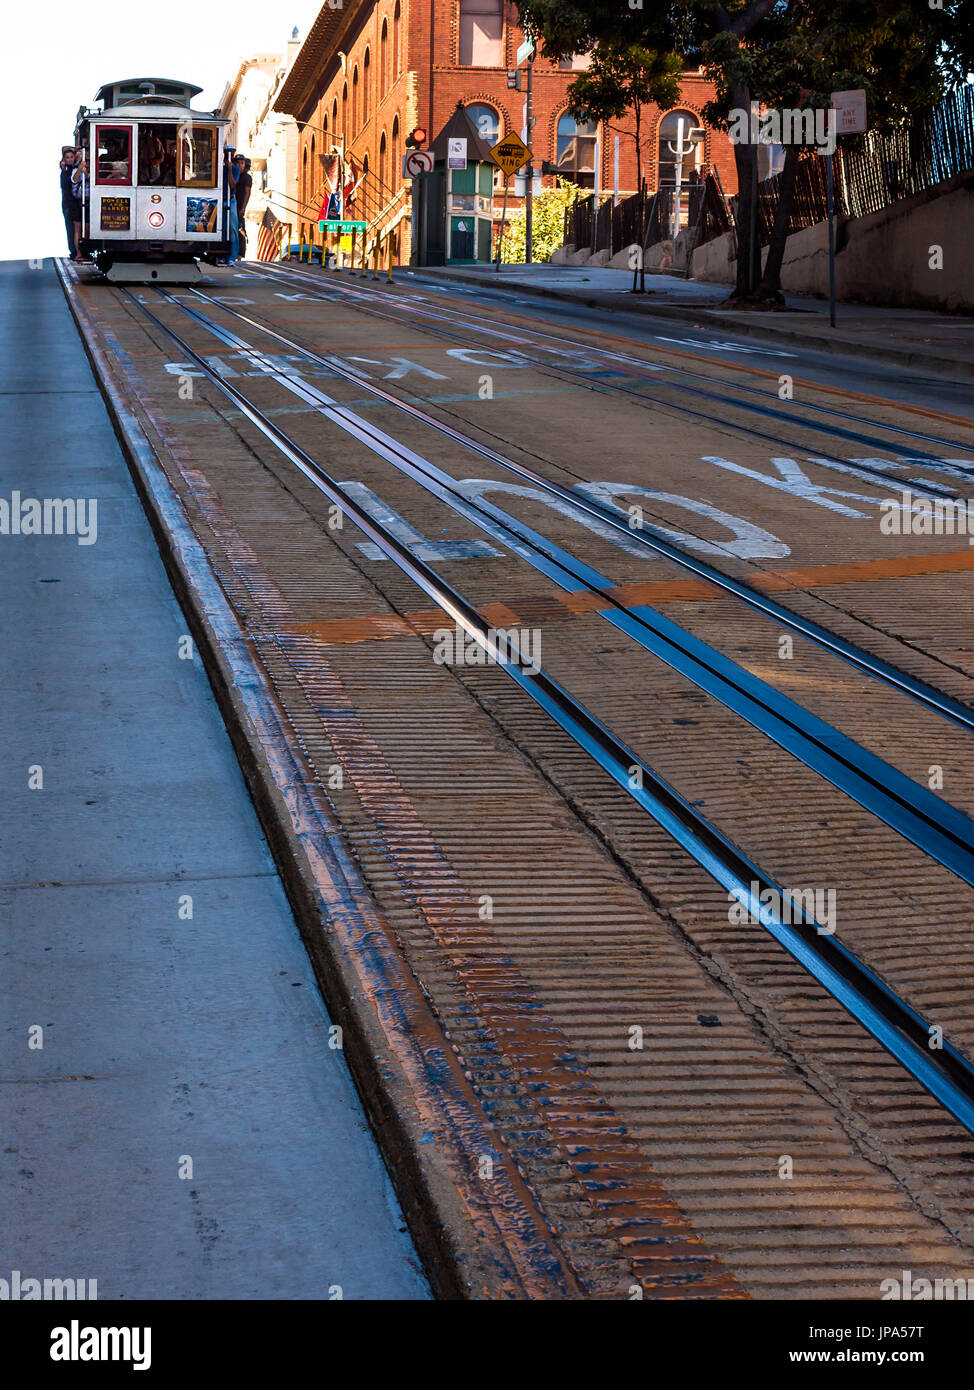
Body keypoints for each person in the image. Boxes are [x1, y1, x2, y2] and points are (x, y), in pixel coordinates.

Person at [70, 149, 90, 263]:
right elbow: (74, 179)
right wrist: (79, 169)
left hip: (88, 201)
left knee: (86, 228)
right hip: (78, 202)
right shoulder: (74, 170)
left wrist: (85, 171)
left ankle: (85, 252)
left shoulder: (90, 170)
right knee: (78, 229)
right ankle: (78, 254)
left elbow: (90, 180)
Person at [233, 155, 252, 260]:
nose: (240, 165)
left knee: (240, 229)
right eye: (238, 163)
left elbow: (247, 192)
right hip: (231, 205)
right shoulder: (233, 174)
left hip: (239, 206)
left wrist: (243, 208)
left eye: (242, 163)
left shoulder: (246, 177)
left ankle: (240, 254)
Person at [60, 147, 77, 259]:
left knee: (76, 228)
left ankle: (76, 250)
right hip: (68, 203)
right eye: (67, 157)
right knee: (70, 228)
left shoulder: (74, 168)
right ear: (64, 159)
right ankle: (73, 251)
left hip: (75, 203)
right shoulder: (65, 171)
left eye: (71, 157)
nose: (70, 159)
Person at [225, 148, 239, 264]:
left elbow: (232, 184)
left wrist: (229, 169)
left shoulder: (235, 169)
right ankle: (222, 255)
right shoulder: (218, 166)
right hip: (221, 200)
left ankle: (232, 257)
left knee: (232, 229)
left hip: (231, 200)